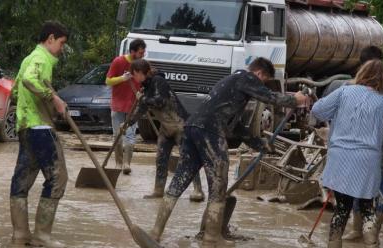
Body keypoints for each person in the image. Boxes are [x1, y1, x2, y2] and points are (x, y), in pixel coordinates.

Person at [149, 57, 308, 246]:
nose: (261, 84)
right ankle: (211, 238)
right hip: (210, 131)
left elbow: (235, 125)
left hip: (191, 127)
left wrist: (258, 143)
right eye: (263, 81)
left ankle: (155, 233)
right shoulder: (247, 78)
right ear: (259, 73)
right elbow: (270, 97)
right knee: (219, 184)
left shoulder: (231, 82)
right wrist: (294, 100)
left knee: (180, 180)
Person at [311, 59, 383, 248]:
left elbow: (317, 110)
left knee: (342, 207)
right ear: (382, 80)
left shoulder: (344, 92)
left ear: (362, 73)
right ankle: (372, 244)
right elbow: (381, 133)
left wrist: (337, 116)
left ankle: (334, 244)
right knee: (367, 207)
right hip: (368, 159)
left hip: (341, 157)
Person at [9, 21, 69, 248]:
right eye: (61, 43)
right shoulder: (42, 58)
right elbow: (28, 80)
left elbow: (15, 90)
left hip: (25, 127)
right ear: (50, 38)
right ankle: (42, 235)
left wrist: (39, 104)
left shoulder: (28, 58)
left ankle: (20, 235)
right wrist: (52, 98)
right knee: (58, 178)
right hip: (41, 127)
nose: (62, 49)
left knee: (22, 180)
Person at [343, 46, 383, 242]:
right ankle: (357, 229)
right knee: (357, 185)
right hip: (361, 144)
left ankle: (373, 233)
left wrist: (372, 128)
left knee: (379, 188)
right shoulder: (363, 83)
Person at [128, 59, 205, 201]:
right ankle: (158, 191)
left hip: (180, 125)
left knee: (188, 158)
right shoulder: (145, 88)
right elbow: (141, 109)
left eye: (134, 74)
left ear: (139, 72)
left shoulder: (159, 81)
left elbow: (160, 101)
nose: (133, 78)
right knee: (161, 159)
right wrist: (128, 123)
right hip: (165, 128)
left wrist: (144, 99)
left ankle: (198, 190)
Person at [106, 39, 146, 175]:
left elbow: (145, 83)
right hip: (117, 105)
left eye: (143, 52)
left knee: (130, 137)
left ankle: (127, 164)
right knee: (117, 135)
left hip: (133, 106)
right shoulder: (118, 61)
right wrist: (122, 78)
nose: (143, 55)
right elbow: (108, 81)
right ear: (133, 52)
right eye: (140, 52)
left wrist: (143, 93)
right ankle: (118, 163)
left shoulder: (142, 65)